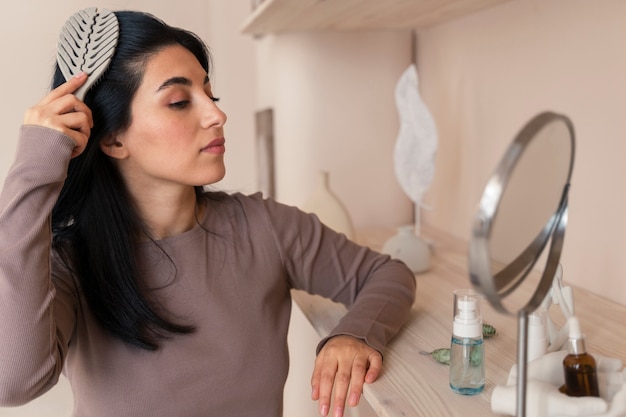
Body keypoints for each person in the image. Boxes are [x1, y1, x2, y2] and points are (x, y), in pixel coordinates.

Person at [0, 9, 416, 417]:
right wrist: (34, 167)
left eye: (210, 94)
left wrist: (354, 335)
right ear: (112, 138)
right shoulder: (68, 263)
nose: (217, 114)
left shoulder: (266, 227)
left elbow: (388, 275)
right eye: (180, 101)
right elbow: (13, 383)